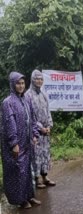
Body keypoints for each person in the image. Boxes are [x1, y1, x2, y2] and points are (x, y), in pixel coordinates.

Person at [0, 71, 41, 209]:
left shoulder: (26, 99)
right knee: (19, 172)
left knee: (28, 170)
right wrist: (14, 143)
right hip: (16, 145)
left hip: (27, 142)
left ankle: (29, 195)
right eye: (18, 83)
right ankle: (21, 200)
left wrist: (35, 134)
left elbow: (33, 119)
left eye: (23, 83)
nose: (21, 86)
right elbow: (9, 124)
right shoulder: (8, 102)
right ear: (12, 84)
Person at [25, 69, 56, 189]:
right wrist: (40, 128)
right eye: (37, 79)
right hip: (35, 132)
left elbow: (48, 111)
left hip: (45, 131)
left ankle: (45, 175)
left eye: (41, 79)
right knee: (36, 154)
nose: (39, 81)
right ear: (32, 80)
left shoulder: (44, 94)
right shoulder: (28, 95)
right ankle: (37, 178)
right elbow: (29, 116)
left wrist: (49, 126)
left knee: (45, 153)